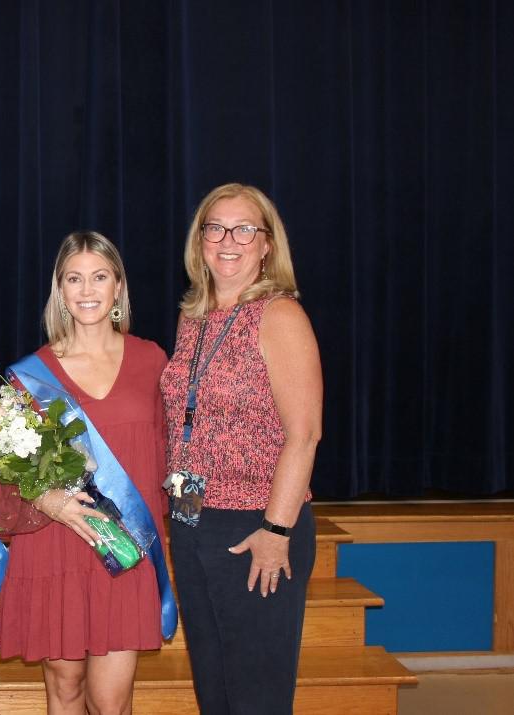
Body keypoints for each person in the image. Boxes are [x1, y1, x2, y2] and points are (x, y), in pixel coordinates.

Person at [160, 183, 322, 714]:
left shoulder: (280, 316)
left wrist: (277, 530)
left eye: (244, 229)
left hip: (256, 525)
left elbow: (305, 434)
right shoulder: (194, 316)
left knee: (256, 694)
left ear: (266, 244)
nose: (228, 240)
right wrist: (180, 520)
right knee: (214, 686)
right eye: (215, 228)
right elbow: (189, 430)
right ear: (199, 240)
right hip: (193, 519)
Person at [0, 231, 171, 715]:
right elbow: (2, 473)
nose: (87, 290)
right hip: (54, 544)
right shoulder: (31, 375)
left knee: (110, 703)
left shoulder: (152, 360)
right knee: (65, 690)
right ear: (60, 290)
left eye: (99, 277)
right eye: (74, 278)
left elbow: (173, 454)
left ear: (118, 287)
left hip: (124, 544)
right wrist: (49, 500)